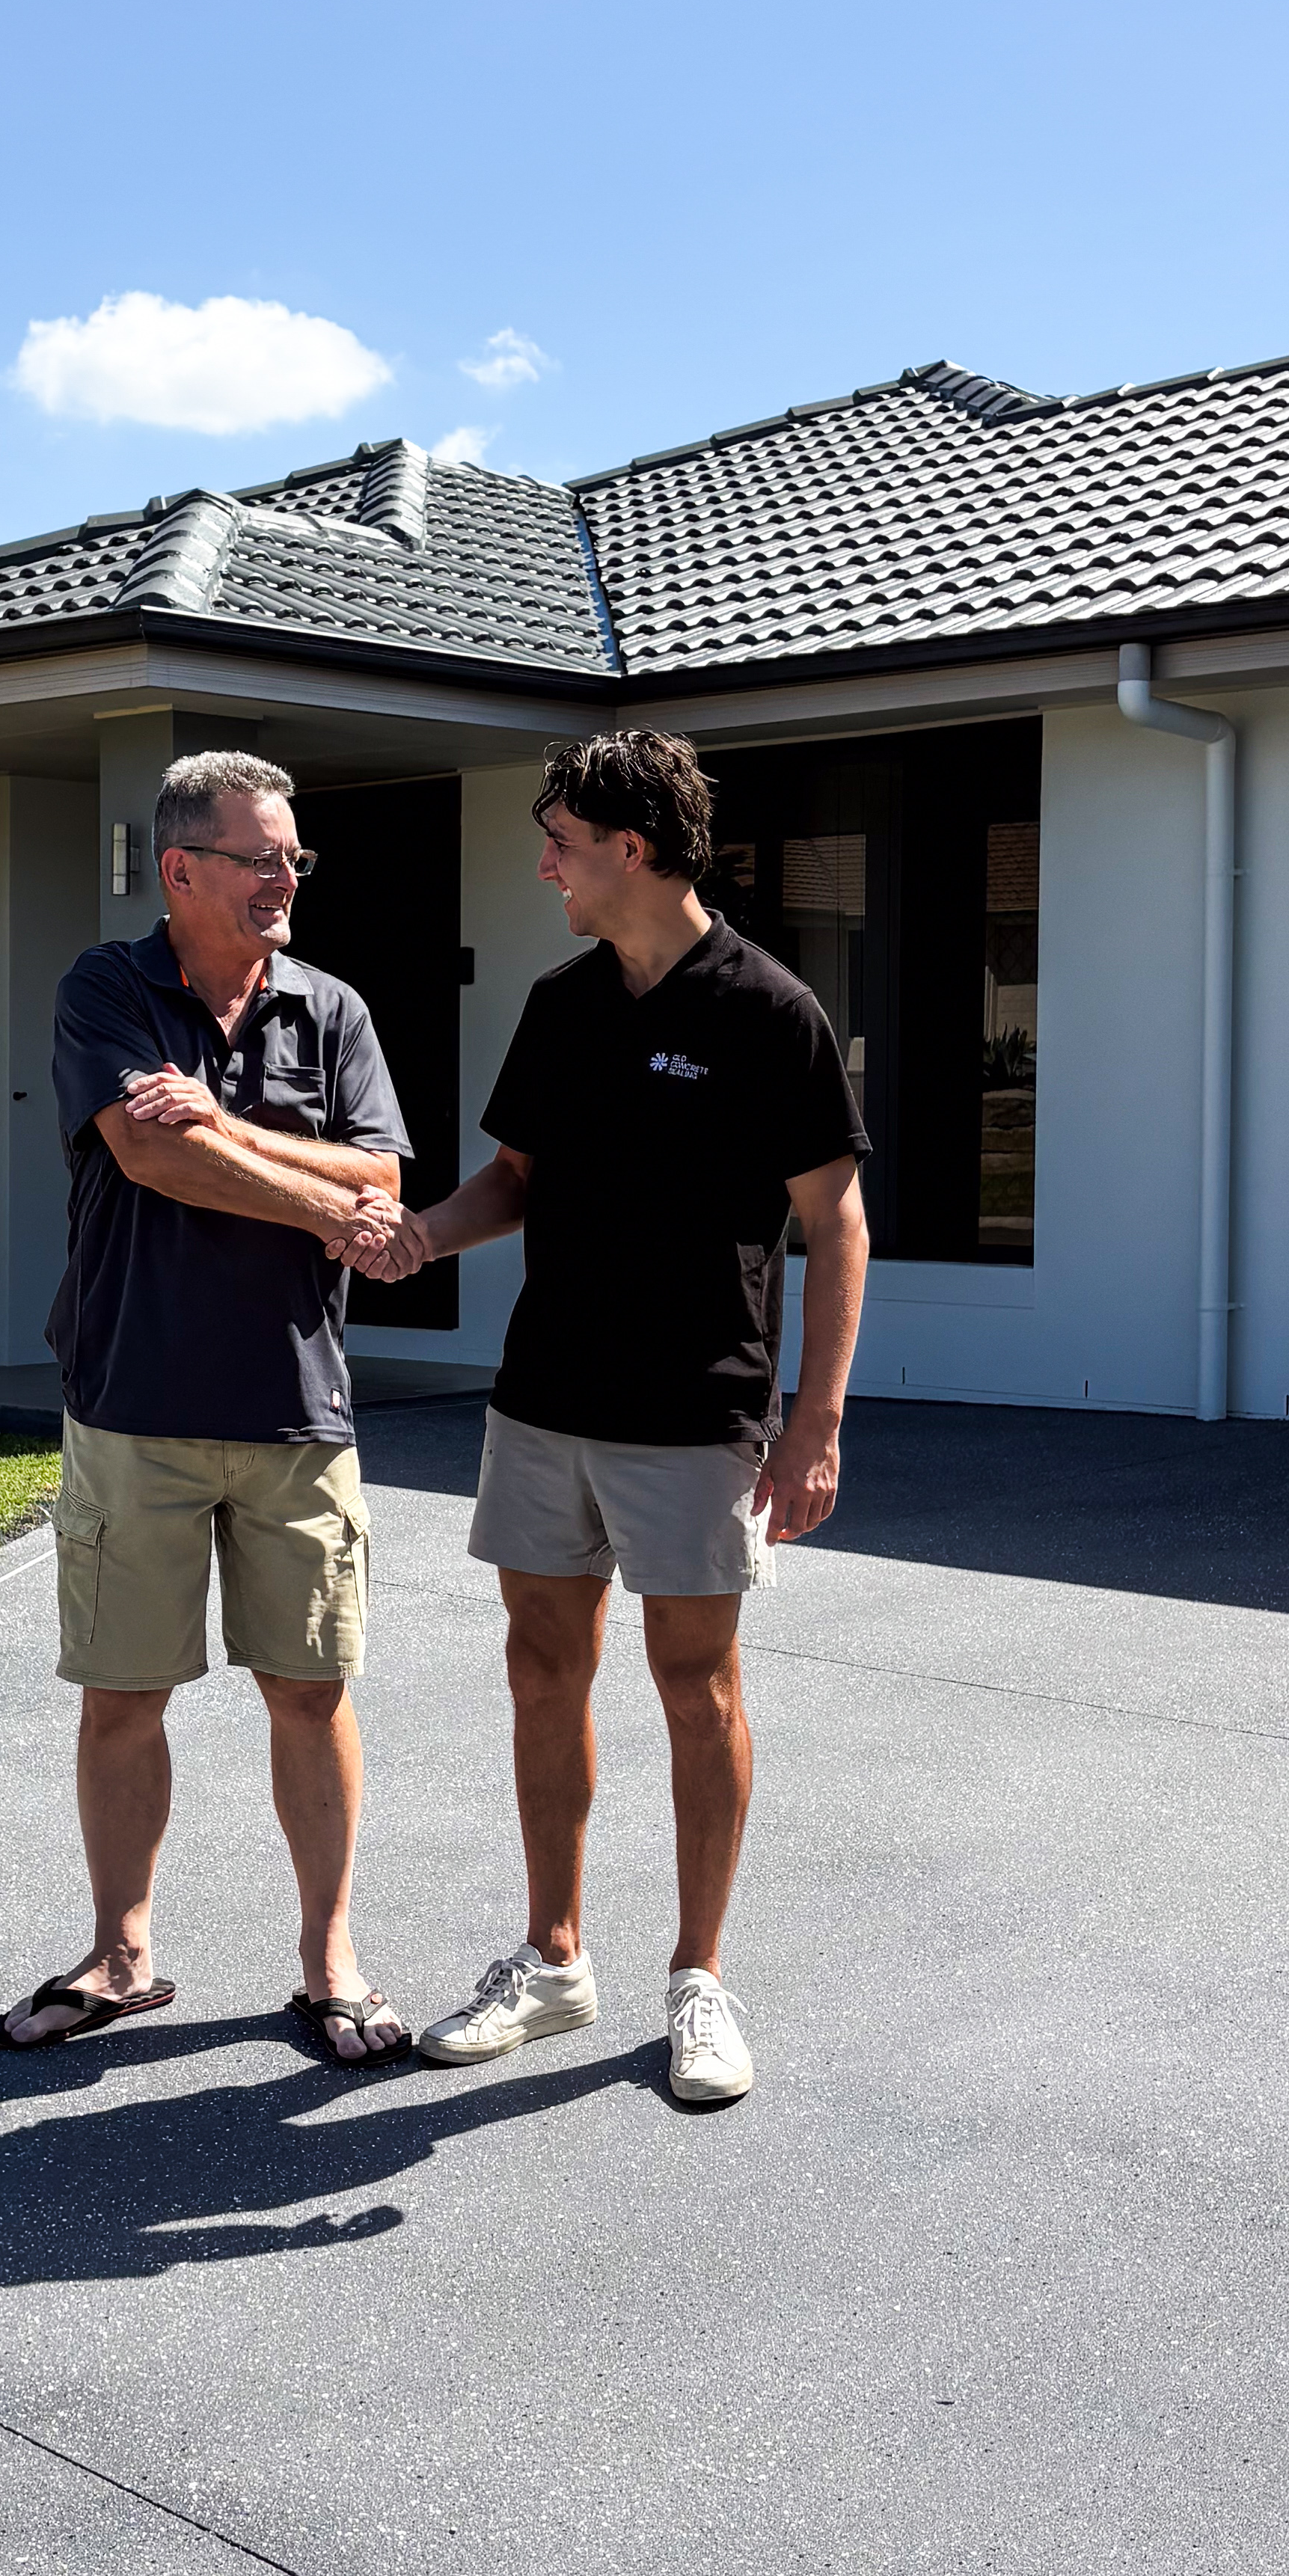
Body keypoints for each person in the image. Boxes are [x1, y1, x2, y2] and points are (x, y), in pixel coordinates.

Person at [345, 728, 869, 2106]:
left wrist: (816, 1422)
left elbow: (837, 1220)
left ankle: (698, 1979)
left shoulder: (770, 1011)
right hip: (545, 1401)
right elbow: (511, 1180)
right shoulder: (562, 1002)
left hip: (696, 1412)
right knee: (539, 1665)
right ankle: (555, 1959)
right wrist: (416, 1239)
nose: (546, 868)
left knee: (697, 1688)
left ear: (629, 849)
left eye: (562, 846)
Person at [0, 749, 422, 2069]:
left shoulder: (332, 1009)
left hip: (297, 1408)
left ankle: (330, 1961)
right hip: (134, 1400)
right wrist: (321, 1199)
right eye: (261, 858)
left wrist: (239, 1134)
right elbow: (150, 1153)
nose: (287, 878)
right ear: (181, 871)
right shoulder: (107, 988)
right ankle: (122, 1955)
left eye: (294, 857)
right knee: (124, 1696)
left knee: (310, 1690)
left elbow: (387, 1176)